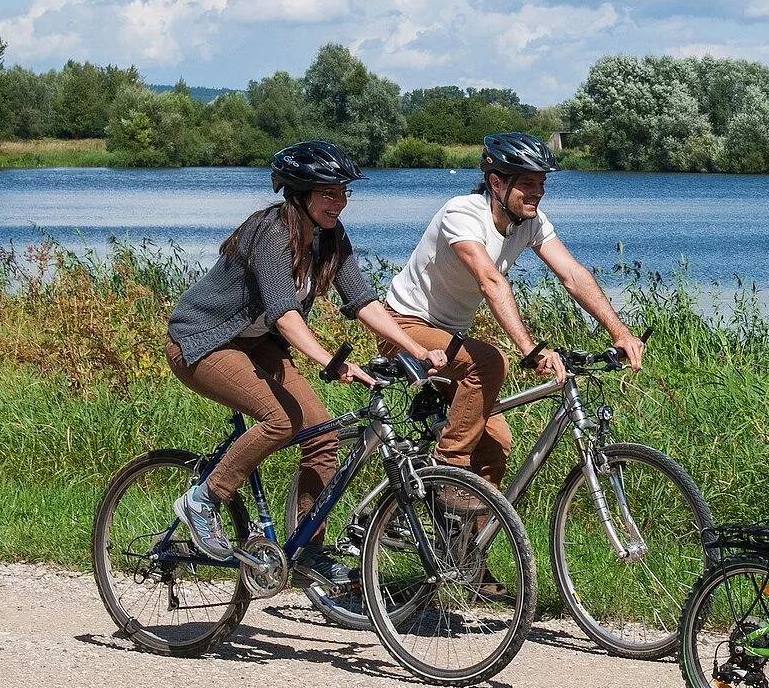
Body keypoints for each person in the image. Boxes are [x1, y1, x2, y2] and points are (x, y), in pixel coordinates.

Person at [167, 141, 448, 578]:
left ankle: (307, 552)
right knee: (280, 419)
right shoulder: (273, 230)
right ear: (298, 193)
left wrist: (417, 349)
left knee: (321, 433)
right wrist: (329, 361)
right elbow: (284, 312)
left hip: (258, 343)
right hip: (203, 341)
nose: (339, 202)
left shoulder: (331, 237)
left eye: (343, 193)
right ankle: (204, 499)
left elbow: (362, 302)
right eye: (328, 193)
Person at [382, 132, 643, 487]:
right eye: (527, 184)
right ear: (495, 182)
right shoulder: (462, 213)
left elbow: (572, 274)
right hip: (402, 326)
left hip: (449, 338)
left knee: (495, 447)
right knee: (488, 362)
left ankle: (461, 539)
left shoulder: (531, 222)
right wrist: (530, 350)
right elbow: (490, 280)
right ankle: (448, 468)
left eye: (541, 183)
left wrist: (620, 332)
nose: (537, 192)